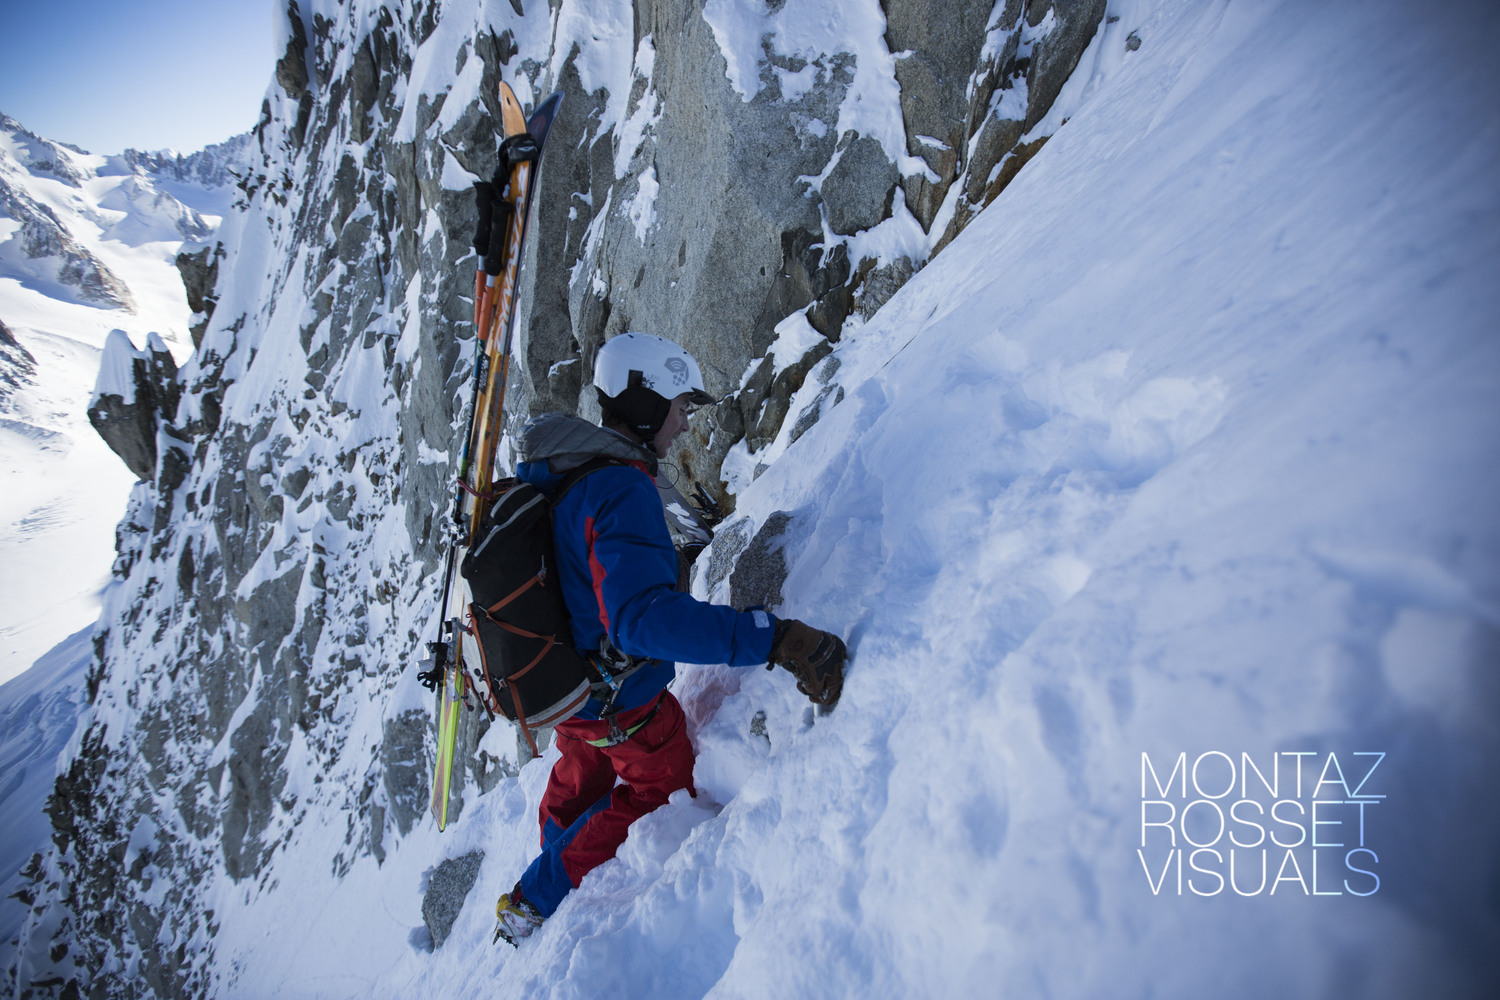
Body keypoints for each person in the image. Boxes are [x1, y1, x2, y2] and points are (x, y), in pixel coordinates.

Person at [494, 332, 846, 944]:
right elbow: (642, 620)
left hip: (573, 693)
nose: (684, 424)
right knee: (663, 790)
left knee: (581, 779)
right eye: (680, 406)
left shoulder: (567, 475)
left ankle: (558, 867)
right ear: (646, 401)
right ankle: (541, 894)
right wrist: (776, 638)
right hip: (624, 706)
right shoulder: (619, 488)